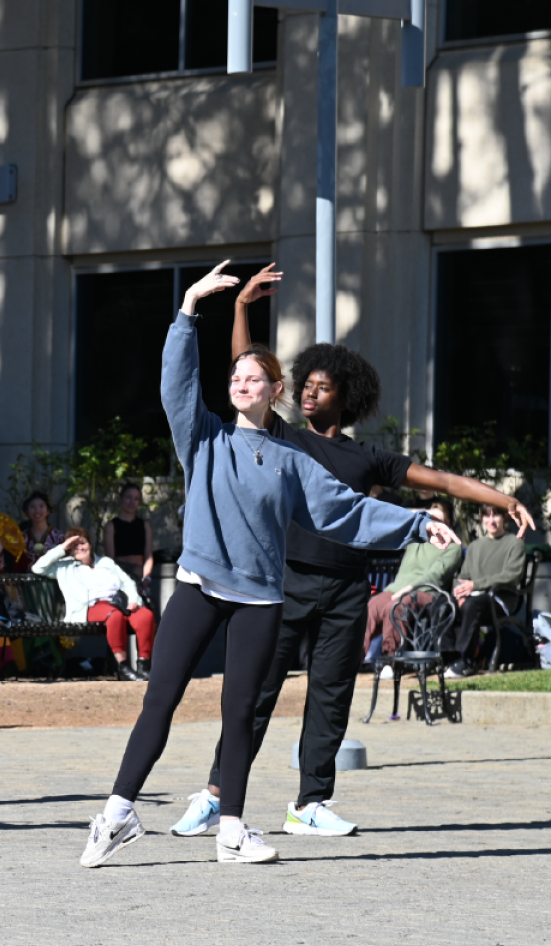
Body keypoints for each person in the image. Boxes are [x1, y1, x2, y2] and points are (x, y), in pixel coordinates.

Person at [80, 263, 455, 868]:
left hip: (259, 598)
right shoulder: (202, 436)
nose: (240, 382)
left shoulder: (293, 461)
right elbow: (176, 383)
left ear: (274, 390)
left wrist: (418, 521)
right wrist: (188, 309)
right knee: (161, 700)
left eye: (253, 377)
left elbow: (348, 514)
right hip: (200, 587)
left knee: (241, 712)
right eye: (235, 375)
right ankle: (117, 813)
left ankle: (231, 830)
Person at [169, 263, 535, 839]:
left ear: (347, 397)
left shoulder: (371, 460)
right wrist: (241, 307)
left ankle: (309, 803)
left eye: (323, 387)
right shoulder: (284, 436)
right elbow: (249, 370)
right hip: (284, 582)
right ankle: (216, 794)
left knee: (332, 695)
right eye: (305, 384)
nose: (311, 392)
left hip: (345, 589)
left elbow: (439, 482)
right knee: (256, 693)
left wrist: (504, 499)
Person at [33, 529, 155, 683]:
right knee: (114, 615)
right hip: (90, 607)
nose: (80, 548)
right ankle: (123, 668)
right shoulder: (64, 567)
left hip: (118, 604)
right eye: (74, 545)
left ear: (90, 544)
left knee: (146, 615)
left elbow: (127, 582)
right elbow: (37, 568)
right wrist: (62, 547)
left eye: (83, 543)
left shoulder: (106, 562)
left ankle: (144, 667)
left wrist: (134, 600)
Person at [362, 501, 460, 668]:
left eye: (438, 517)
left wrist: (410, 587)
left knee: (396, 606)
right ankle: (352, 659)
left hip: (427, 592)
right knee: (370, 608)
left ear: (448, 522)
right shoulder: (415, 540)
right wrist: (424, 512)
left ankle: (391, 660)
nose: (433, 520)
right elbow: (397, 515)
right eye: (430, 516)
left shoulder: (452, 547)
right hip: (395, 590)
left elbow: (436, 574)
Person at [445, 504, 530, 675]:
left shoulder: (514, 544)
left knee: (473, 605)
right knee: (442, 604)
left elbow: (511, 576)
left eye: (495, 516)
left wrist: (475, 585)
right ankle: (447, 657)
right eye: (487, 516)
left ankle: (466, 660)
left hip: (500, 600)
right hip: (474, 597)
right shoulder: (475, 546)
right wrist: (460, 593)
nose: (491, 520)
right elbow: (463, 576)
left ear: (504, 518)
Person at [103, 483, 155, 589]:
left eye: (136, 499)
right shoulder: (111, 525)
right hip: (121, 572)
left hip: (140, 573)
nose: (132, 502)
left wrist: (146, 578)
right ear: (120, 498)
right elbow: (110, 558)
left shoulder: (144, 525)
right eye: (128, 497)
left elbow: (148, 555)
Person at [17, 491, 64, 572]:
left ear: (48, 510)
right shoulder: (21, 538)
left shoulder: (58, 537)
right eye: (32, 507)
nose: (37, 510)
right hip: (26, 583)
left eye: (41, 506)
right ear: (27, 511)